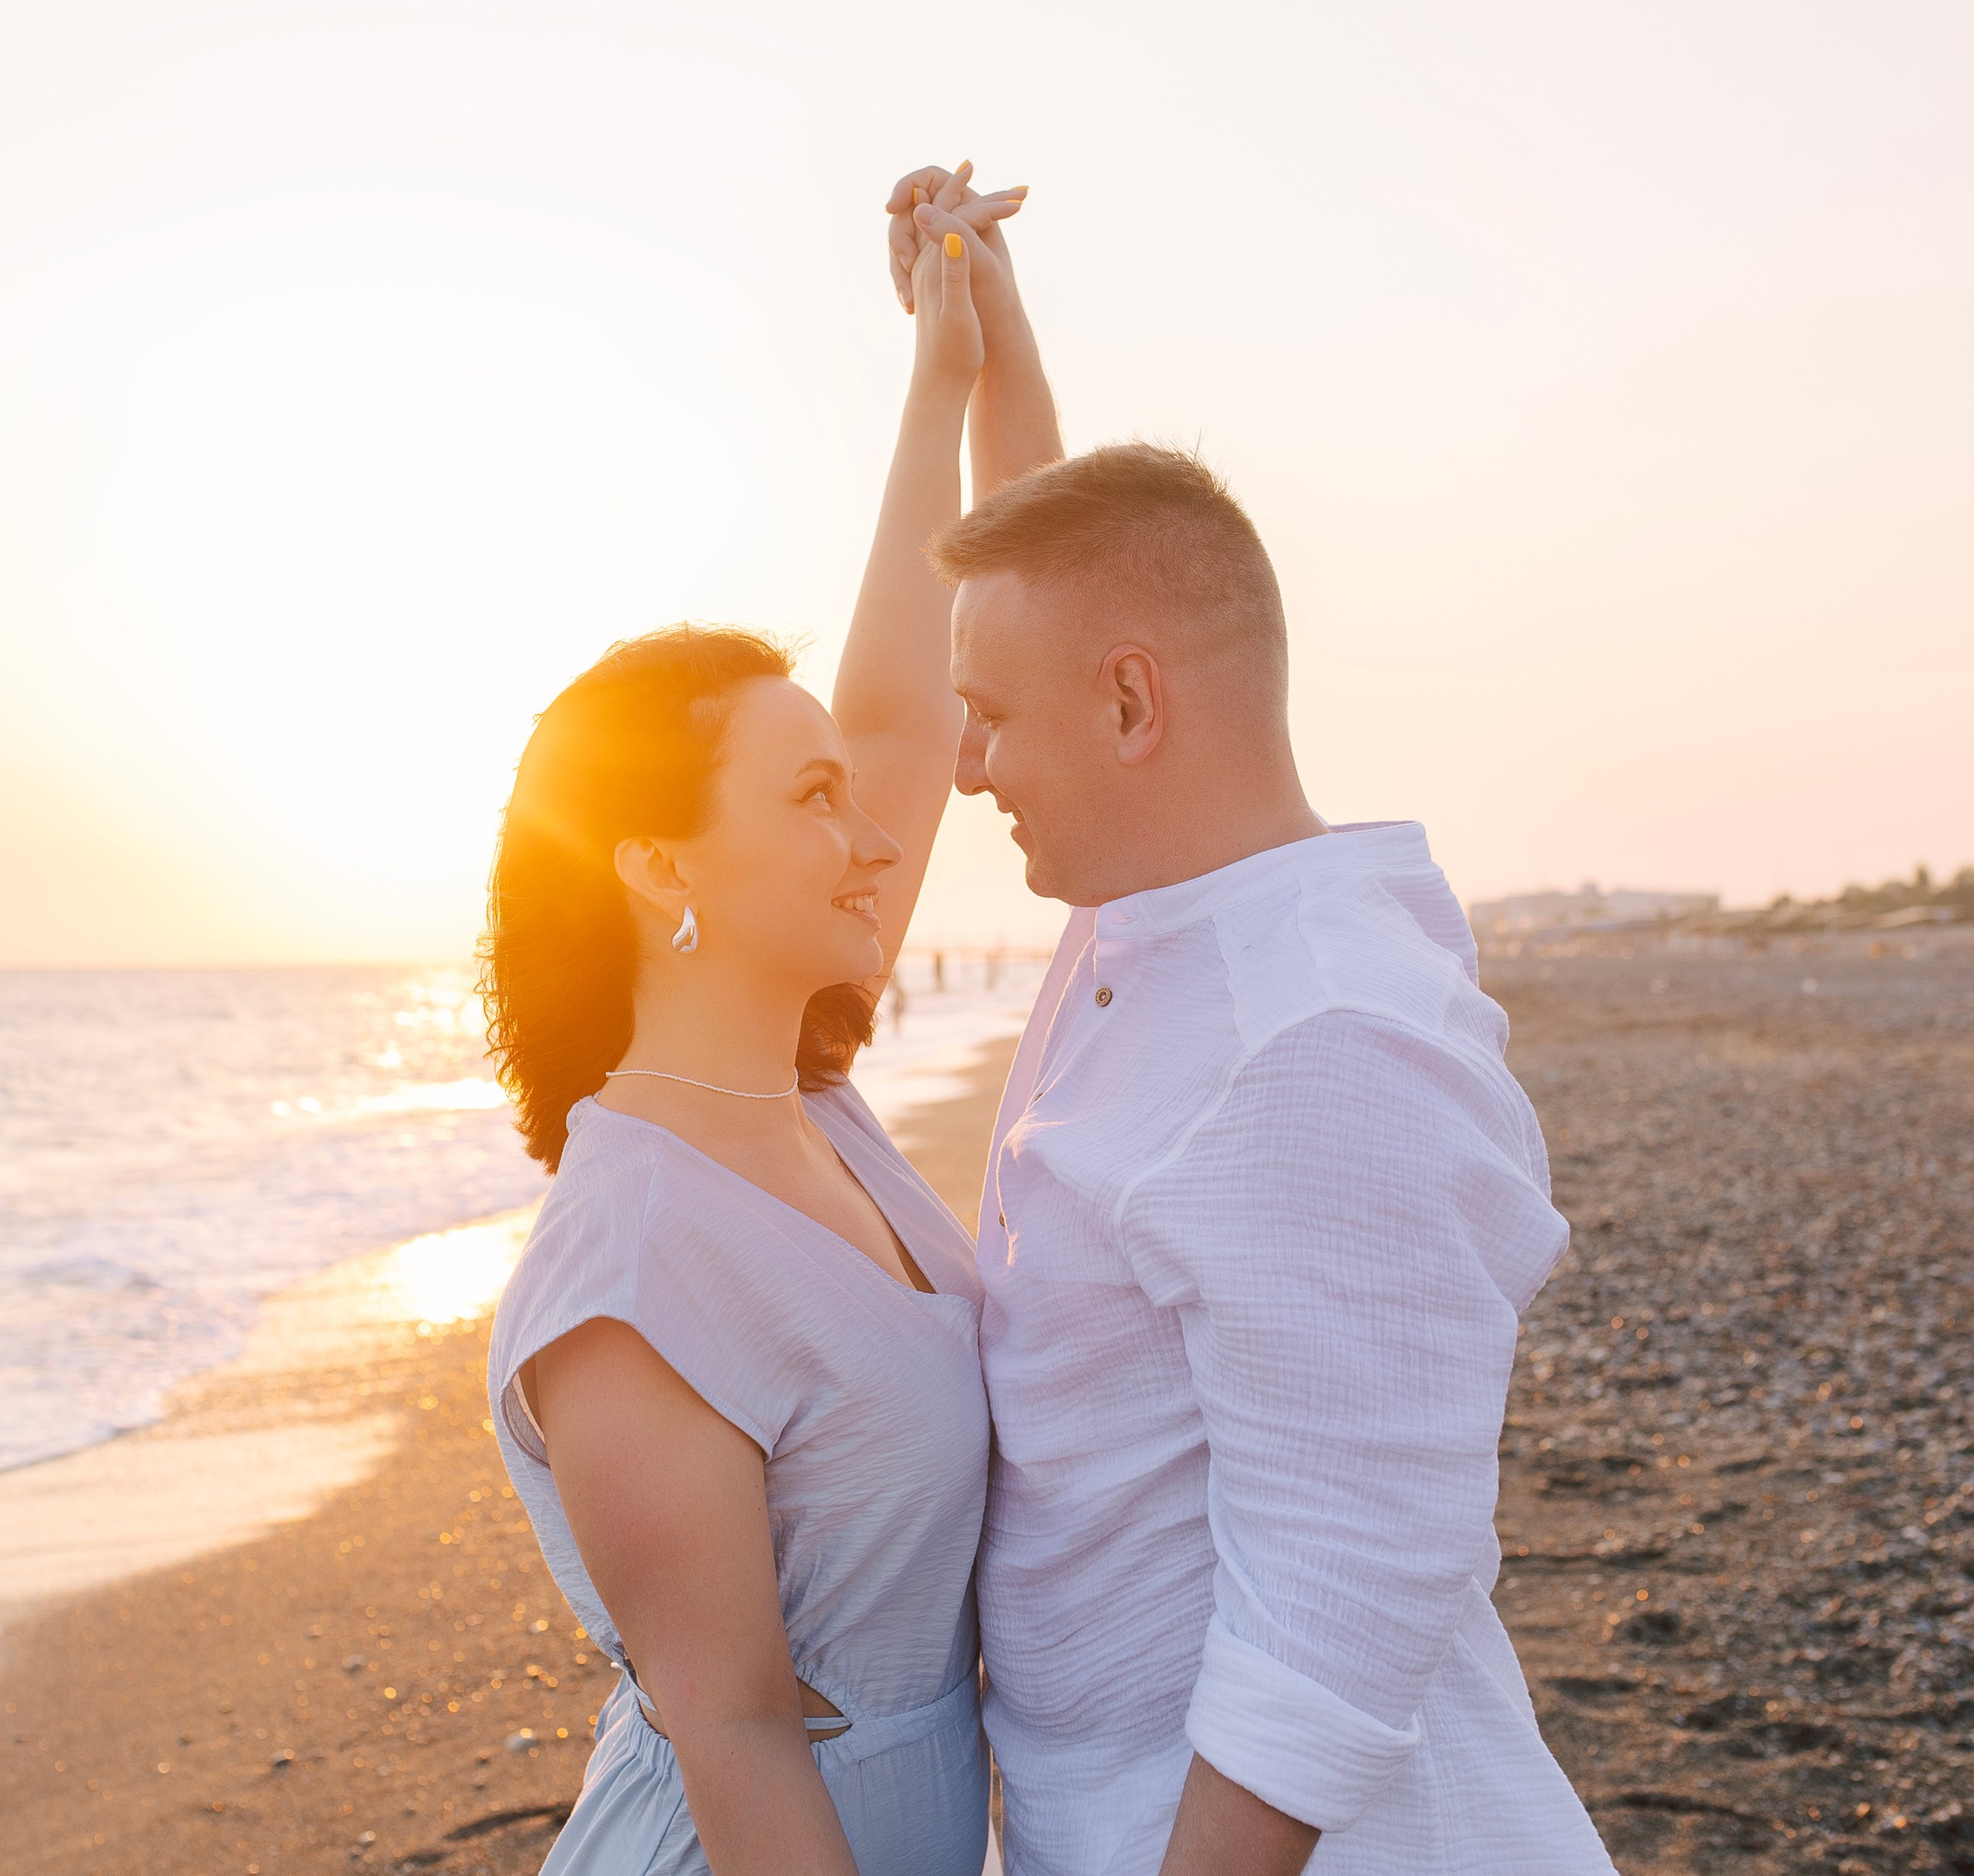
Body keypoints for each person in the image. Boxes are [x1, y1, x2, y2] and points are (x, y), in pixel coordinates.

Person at [884, 176, 1617, 1871]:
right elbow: (1063, 593)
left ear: (1132, 703)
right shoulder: (1158, 915)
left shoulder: (1318, 1041)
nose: (966, 764)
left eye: (986, 720)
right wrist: (980, 335)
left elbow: (1335, 1618)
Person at [480, 163, 1050, 1875]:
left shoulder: (814, 1108)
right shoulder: (629, 1262)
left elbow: (896, 695)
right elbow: (730, 1726)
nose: (874, 828)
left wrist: (949, 366)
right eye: (810, 796)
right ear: (659, 859)